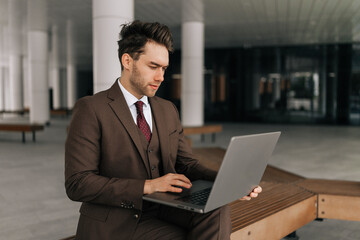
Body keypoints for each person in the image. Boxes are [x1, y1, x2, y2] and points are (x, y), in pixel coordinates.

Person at [65, 20, 262, 240]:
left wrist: (229, 182)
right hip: (117, 220)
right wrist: (147, 186)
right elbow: (78, 183)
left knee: (217, 210)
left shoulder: (167, 109)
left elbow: (186, 164)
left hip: (166, 208)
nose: (161, 77)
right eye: (153, 66)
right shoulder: (91, 108)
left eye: (164, 68)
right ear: (127, 61)